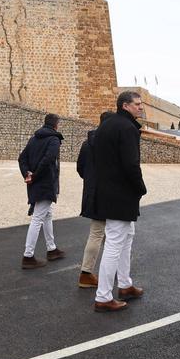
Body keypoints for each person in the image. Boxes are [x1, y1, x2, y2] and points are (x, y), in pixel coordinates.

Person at [92, 90, 148, 312]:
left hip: (108, 191)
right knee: (115, 242)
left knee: (127, 236)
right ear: (125, 106)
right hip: (121, 194)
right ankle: (103, 296)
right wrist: (140, 188)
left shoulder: (107, 125)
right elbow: (131, 164)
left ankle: (124, 284)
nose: (140, 107)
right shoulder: (126, 128)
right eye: (137, 104)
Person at [18, 113, 65, 269]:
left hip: (34, 182)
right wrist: (36, 175)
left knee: (47, 214)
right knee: (38, 218)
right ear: (56, 125)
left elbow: (22, 158)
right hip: (44, 183)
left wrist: (27, 174)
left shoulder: (34, 139)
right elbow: (49, 159)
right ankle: (28, 256)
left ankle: (51, 248)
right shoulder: (54, 140)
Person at [76, 111, 114, 288]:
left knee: (101, 233)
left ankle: (100, 272)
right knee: (103, 233)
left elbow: (80, 168)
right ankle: (86, 272)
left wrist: (91, 181)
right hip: (107, 195)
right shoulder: (110, 144)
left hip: (91, 193)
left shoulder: (86, 143)